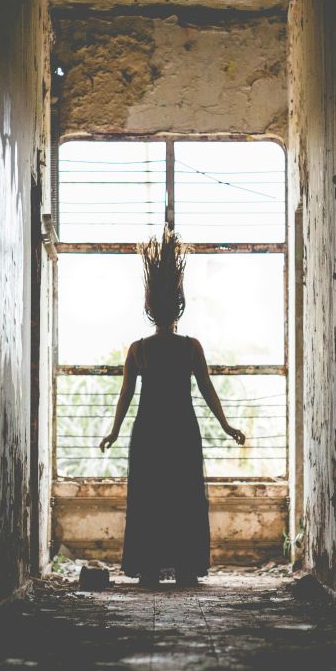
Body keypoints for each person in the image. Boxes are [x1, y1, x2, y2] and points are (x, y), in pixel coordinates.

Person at [98, 228, 245, 588]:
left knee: (150, 500)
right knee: (183, 500)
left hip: (148, 432)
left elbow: (125, 396)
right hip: (181, 431)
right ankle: (184, 568)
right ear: (178, 306)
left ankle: (148, 570)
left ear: (150, 310)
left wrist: (115, 431)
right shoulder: (190, 346)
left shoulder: (139, 349)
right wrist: (226, 426)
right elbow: (208, 390)